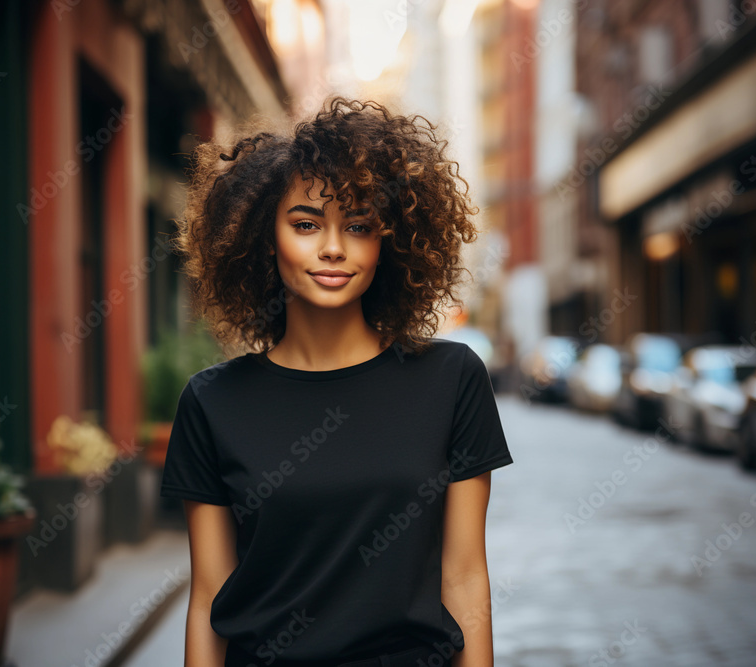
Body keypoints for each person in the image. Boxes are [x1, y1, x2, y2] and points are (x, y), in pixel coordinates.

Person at [161, 96, 514, 667]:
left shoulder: (451, 379)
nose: (332, 247)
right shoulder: (212, 401)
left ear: (388, 242)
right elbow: (208, 598)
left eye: (358, 225)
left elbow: (467, 577)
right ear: (262, 236)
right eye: (305, 224)